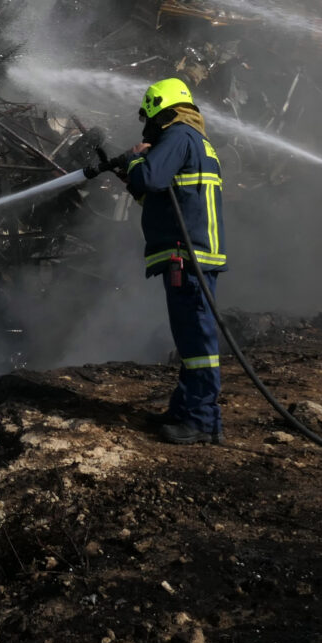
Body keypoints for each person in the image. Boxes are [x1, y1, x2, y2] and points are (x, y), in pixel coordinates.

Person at [114, 76, 228, 445]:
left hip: (188, 255)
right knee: (190, 339)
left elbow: (150, 177)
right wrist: (131, 176)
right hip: (192, 253)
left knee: (197, 341)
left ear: (159, 110)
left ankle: (202, 421)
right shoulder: (196, 140)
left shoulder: (178, 135)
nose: (147, 125)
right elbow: (163, 195)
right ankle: (184, 409)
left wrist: (135, 160)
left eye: (148, 116)